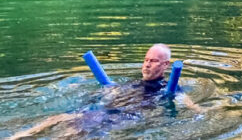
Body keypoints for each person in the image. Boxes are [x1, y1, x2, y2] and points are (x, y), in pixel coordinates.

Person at [10, 44, 199, 139]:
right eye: (146, 59)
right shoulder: (134, 82)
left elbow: (190, 104)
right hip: (104, 110)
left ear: (166, 65)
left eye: (154, 61)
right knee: (58, 118)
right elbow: (114, 91)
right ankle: (15, 137)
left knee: (74, 132)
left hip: (123, 117)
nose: (147, 64)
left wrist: (216, 106)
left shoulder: (168, 88)